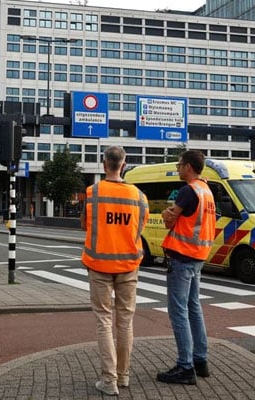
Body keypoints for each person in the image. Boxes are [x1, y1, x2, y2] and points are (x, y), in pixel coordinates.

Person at [80, 146, 149, 396]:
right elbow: (138, 228)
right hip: (129, 266)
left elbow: (86, 224)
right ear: (124, 164)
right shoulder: (139, 196)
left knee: (104, 321)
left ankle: (109, 381)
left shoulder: (93, 192)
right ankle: (124, 376)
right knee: (125, 322)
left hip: (99, 265)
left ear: (103, 164)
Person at [157, 150, 216, 385]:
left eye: (180, 165)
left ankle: (185, 367)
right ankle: (200, 361)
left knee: (178, 311)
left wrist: (166, 213)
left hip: (182, 257)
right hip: (199, 256)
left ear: (189, 167)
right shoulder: (207, 191)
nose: (178, 169)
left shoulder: (188, 191)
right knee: (194, 308)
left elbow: (169, 219)